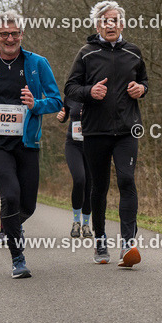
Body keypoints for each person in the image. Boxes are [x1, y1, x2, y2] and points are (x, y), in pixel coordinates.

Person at [0, 11, 62, 279]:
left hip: (26, 142)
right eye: (4, 34)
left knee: (27, 206)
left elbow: (56, 100)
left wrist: (35, 104)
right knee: (11, 196)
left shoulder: (37, 63)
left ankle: (11, 224)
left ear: (21, 35)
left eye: (14, 33)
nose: (10, 38)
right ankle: (18, 258)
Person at [65, 0, 148, 267]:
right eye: (104, 21)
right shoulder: (86, 53)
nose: (110, 25)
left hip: (126, 130)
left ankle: (127, 244)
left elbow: (144, 81)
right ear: (97, 25)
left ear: (122, 24)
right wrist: (90, 92)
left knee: (126, 180)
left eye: (114, 20)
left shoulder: (134, 52)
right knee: (99, 187)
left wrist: (141, 89)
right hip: (96, 130)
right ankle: (100, 243)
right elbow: (70, 88)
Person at [57, 98, 92, 238]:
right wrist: (61, 117)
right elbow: (64, 115)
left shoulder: (99, 93)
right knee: (79, 179)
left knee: (90, 184)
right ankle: (76, 222)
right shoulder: (71, 94)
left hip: (92, 145)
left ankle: (86, 224)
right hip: (74, 144)